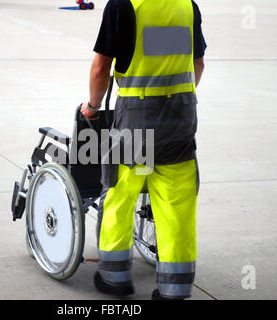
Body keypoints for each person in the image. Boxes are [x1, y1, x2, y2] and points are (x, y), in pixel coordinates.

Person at [80, 0, 206, 300]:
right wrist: (177, 98)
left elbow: (101, 67)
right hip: (181, 117)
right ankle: (175, 289)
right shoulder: (187, 6)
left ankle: (114, 278)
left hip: (137, 118)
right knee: (178, 204)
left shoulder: (124, 5)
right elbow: (198, 64)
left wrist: (92, 106)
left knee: (120, 194)